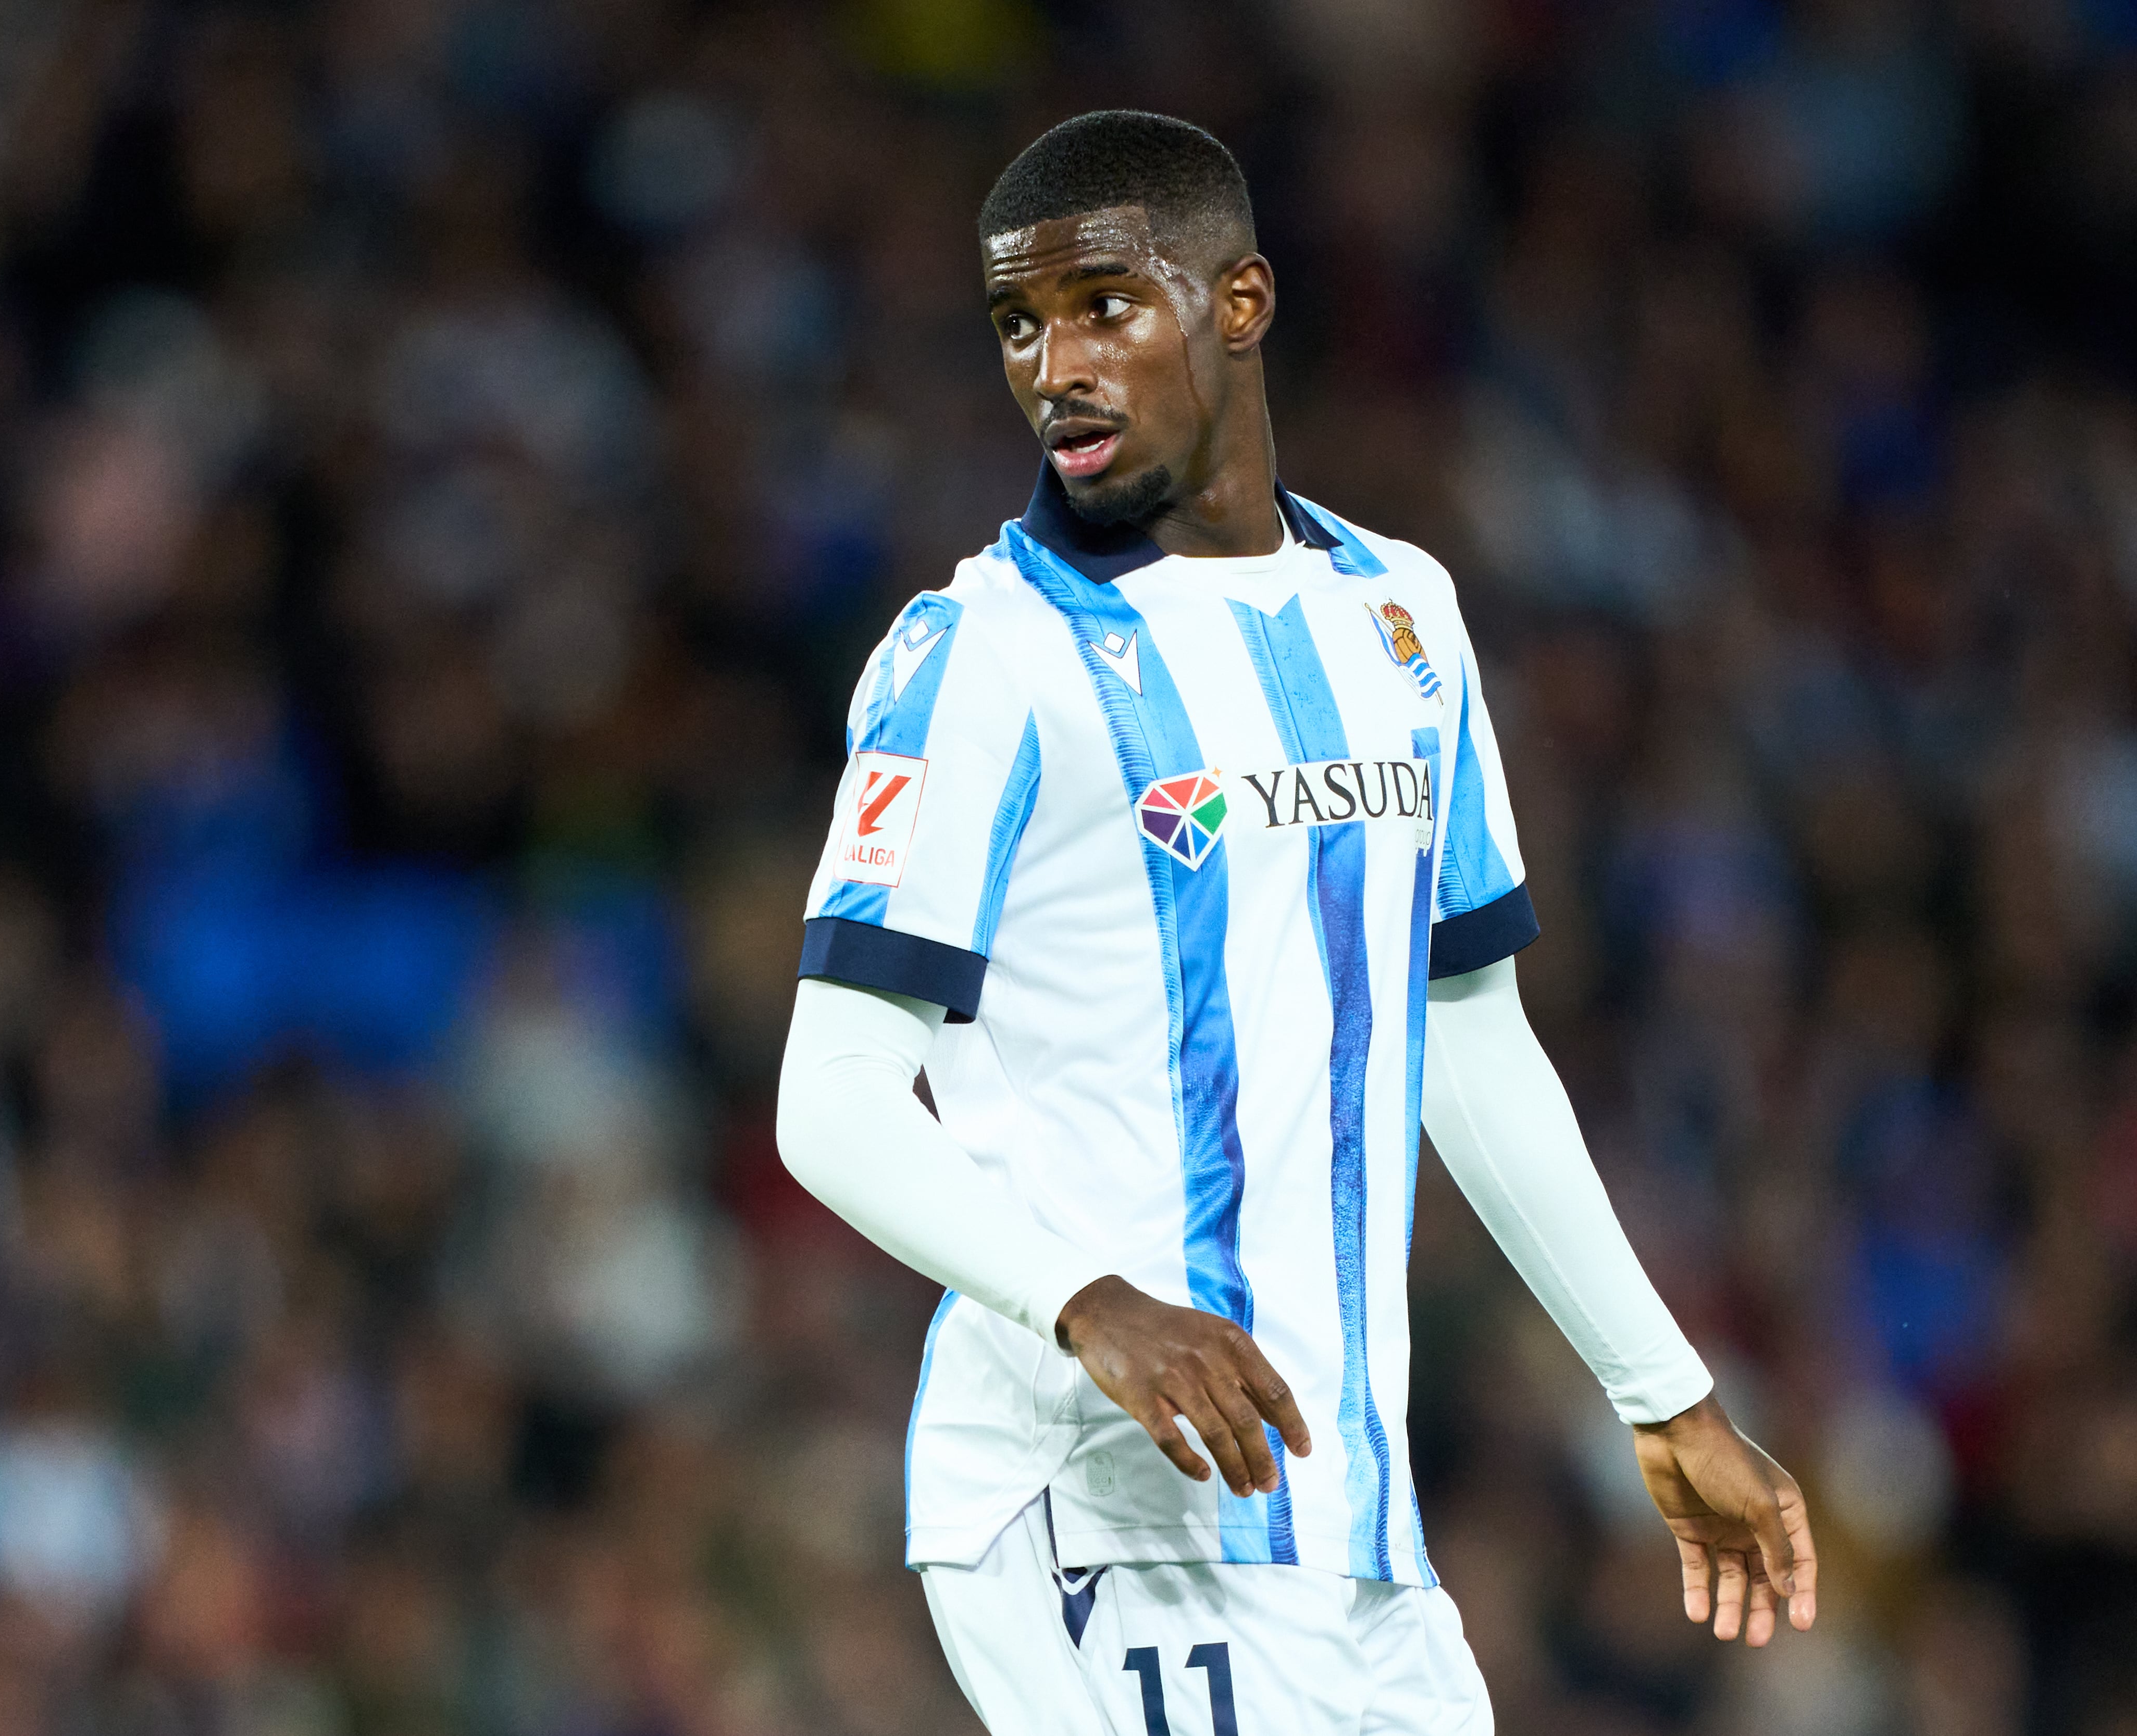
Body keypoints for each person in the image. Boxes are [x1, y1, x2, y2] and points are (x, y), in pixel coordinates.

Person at [776, 109, 1815, 1733]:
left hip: (1341, 1520)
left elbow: (1467, 1043)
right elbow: (828, 1096)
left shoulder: (1399, 615)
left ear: (1240, 302)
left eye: (1105, 304)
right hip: (1089, 1499)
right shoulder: (979, 656)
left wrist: (1664, 1392)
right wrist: (1090, 1304)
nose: (1058, 365)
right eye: (1018, 325)